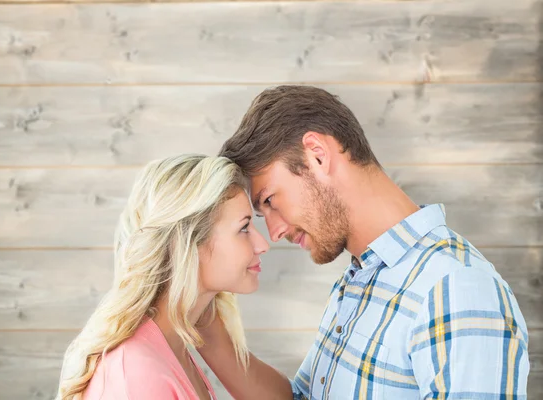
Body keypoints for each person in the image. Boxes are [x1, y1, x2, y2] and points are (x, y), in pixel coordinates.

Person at [197, 85, 530, 399]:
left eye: (270, 200)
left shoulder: (455, 289)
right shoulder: (359, 281)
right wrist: (206, 327)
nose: (275, 232)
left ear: (317, 154)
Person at [55, 154, 269, 400]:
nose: (262, 244)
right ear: (188, 244)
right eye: (244, 228)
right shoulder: (138, 373)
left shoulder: (172, 349)